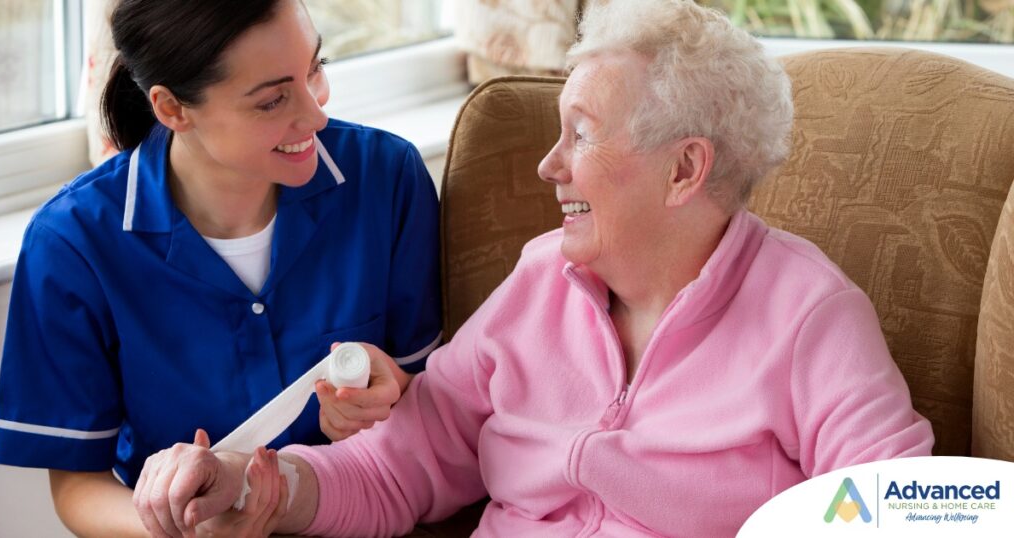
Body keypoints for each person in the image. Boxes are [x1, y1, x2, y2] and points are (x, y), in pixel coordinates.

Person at [138, 1, 936, 536]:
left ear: (685, 169)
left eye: (580, 135)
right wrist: (260, 486)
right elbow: (398, 466)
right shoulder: (539, 281)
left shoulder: (806, 313)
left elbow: (898, 509)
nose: (549, 166)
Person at [0, 0, 442, 535]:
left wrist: (393, 392)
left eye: (314, 69)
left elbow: (438, 396)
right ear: (173, 108)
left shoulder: (386, 178)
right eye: (273, 100)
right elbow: (76, 488)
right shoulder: (72, 244)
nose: (316, 114)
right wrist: (186, 532)